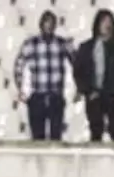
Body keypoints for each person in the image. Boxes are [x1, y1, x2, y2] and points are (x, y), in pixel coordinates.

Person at [13, 11, 73, 141]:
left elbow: (77, 63)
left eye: (51, 23)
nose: (48, 26)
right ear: (41, 25)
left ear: (55, 25)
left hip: (56, 95)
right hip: (37, 96)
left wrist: (79, 86)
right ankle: (38, 162)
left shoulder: (62, 43)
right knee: (37, 137)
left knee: (56, 137)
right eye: (46, 22)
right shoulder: (30, 43)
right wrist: (20, 88)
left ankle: (55, 161)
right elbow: (19, 65)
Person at [73, 10, 114, 142]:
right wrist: (87, 91)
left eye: (110, 22)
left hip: (113, 95)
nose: (107, 25)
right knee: (96, 131)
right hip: (94, 96)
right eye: (104, 22)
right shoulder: (86, 47)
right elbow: (78, 72)